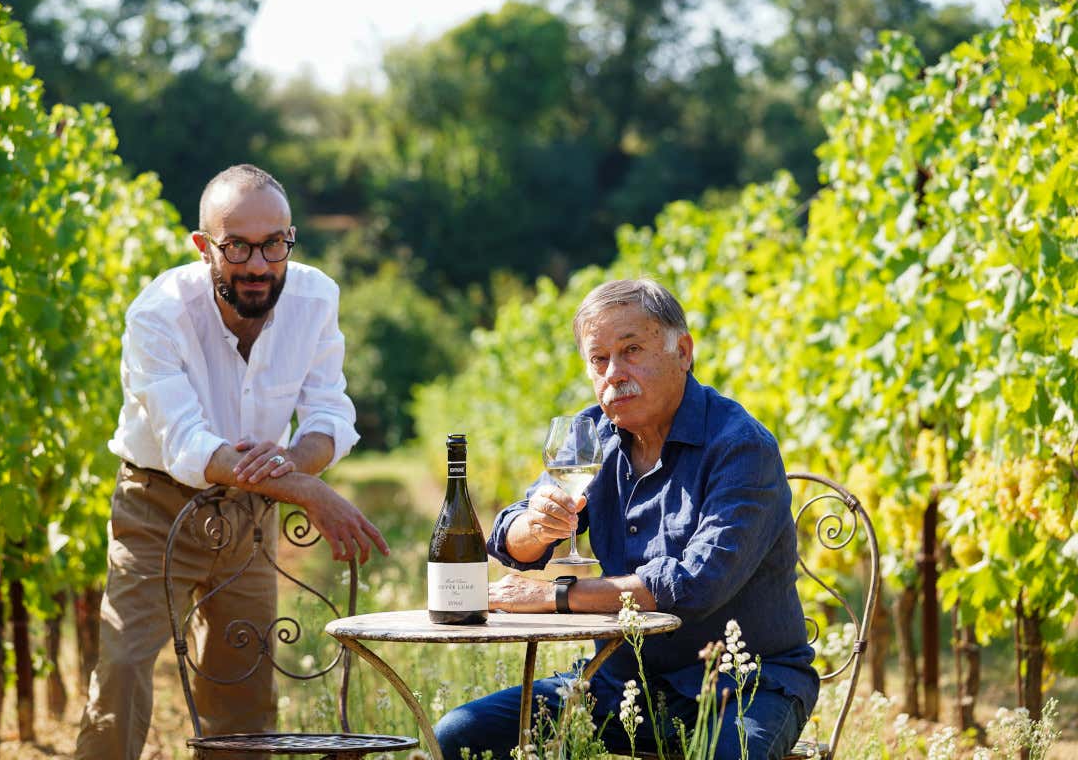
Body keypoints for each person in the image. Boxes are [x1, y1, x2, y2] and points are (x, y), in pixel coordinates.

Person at [75, 164, 388, 760]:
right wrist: (306, 489)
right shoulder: (158, 314)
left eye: (274, 244)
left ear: (290, 238)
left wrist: (291, 462)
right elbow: (185, 443)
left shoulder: (315, 298)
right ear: (203, 246)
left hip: (251, 512)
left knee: (243, 687)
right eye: (237, 246)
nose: (258, 264)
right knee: (123, 669)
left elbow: (329, 415)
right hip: (156, 506)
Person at [435, 279, 817, 760]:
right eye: (599, 359)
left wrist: (556, 596)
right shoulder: (591, 434)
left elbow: (695, 585)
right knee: (459, 733)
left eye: (631, 350)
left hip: (742, 686)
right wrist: (534, 525)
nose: (614, 373)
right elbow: (509, 540)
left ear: (683, 352)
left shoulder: (741, 446)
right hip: (619, 684)